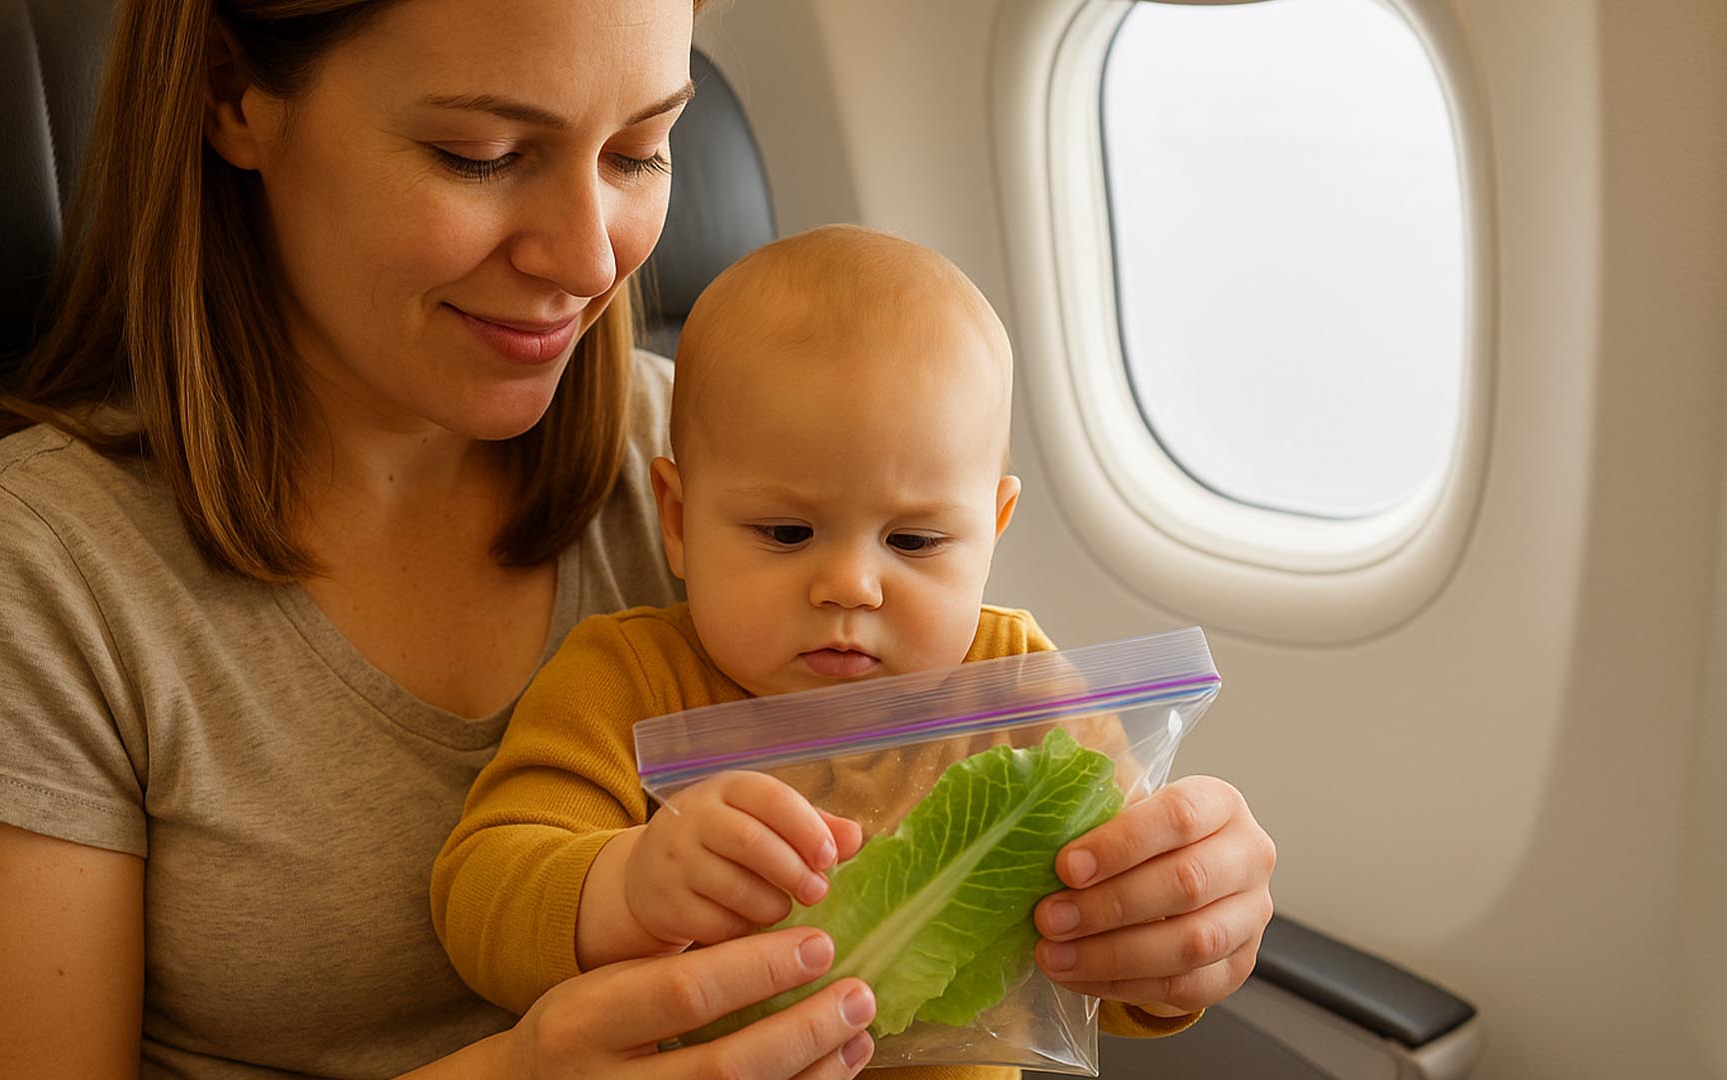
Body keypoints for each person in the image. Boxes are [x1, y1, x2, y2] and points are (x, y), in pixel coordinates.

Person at [0, 1, 1275, 1078]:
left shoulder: (743, 462)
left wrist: (1167, 922)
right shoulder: (34, 581)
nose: (593, 261)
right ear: (234, 93)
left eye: (645, 149)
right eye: (482, 152)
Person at [433, 226, 1202, 1080]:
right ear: (679, 522)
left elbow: (1113, 943)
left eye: (913, 540)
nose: (850, 587)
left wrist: (1175, 949)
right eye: (787, 532)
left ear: (993, 529)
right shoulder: (626, 679)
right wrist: (621, 886)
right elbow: (481, 896)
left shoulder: (1014, 685)